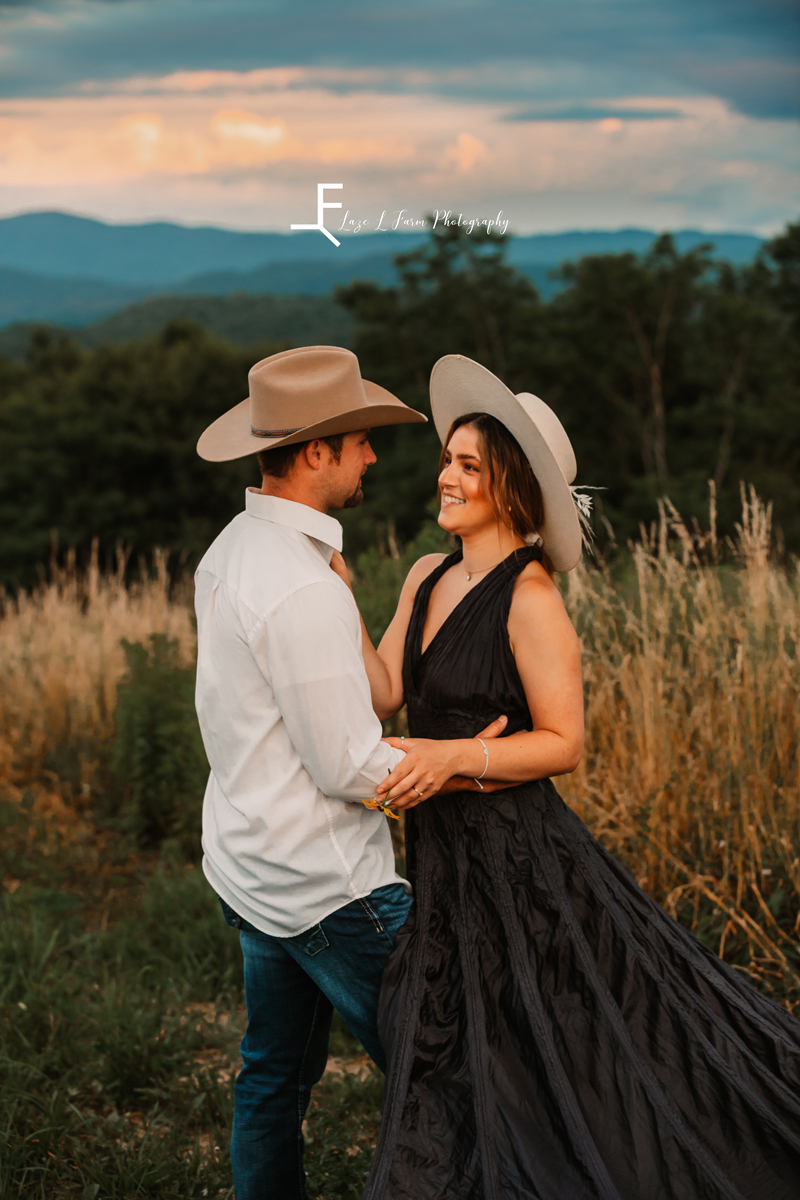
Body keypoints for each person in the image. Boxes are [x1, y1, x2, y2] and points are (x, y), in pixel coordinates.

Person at [331, 355, 800, 1200]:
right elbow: (389, 689)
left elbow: (562, 743)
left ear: (510, 489)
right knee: (457, 1027)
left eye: (468, 465)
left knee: (563, 1031)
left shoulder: (532, 598)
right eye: (448, 459)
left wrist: (455, 758)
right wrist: (333, 606)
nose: (445, 475)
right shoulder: (424, 576)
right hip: (445, 854)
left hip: (519, 857)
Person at [192, 345, 505, 1200]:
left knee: (272, 1077)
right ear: (315, 452)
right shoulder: (298, 585)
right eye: (361, 439)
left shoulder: (233, 550)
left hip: (254, 864)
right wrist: (474, 762)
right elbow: (348, 766)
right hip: (333, 889)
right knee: (445, 1072)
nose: (373, 454)